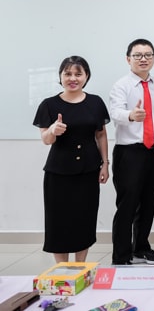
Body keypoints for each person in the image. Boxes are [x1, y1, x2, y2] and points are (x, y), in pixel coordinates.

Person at [33, 56, 109, 263]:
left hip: (88, 170)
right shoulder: (49, 104)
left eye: (78, 74)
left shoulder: (95, 102)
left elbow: (101, 134)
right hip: (59, 173)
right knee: (58, 221)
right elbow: (46, 140)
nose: (73, 78)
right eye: (67, 74)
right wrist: (52, 130)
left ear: (86, 76)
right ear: (60, 76)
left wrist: (105, 164)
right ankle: (62, 269)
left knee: (84, 219)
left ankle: (80, 267)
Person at [108, 39, 154, 265]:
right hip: (129, 153)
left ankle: (141, 247)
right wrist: (131, 115)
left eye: (148, 55)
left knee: (149, 203)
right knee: (127, 205)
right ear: (128, 59)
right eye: (138, 55)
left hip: (153, 151)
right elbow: (115, 112)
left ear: (153, 58)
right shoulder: (121, 85)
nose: (143, 59)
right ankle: (121, 255)